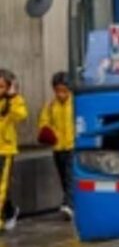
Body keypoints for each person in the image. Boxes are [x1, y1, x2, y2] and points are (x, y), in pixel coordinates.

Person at [38, 72, 74, 220]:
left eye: (64, 91)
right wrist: (47, 132)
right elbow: (43, 122)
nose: (61, 94)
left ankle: (68, 204)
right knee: (63, 177)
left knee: (70, 176)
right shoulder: (50, 105)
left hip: (73, 147)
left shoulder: (76, 103)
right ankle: (71, 204)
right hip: (58, 148)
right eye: (58, 91)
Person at [0, 69, 28, 232]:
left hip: (5, 149)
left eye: (2, 87)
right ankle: (9, 211)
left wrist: (12, 97)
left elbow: (21, 115)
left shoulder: (14, 101)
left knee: (2, 186)